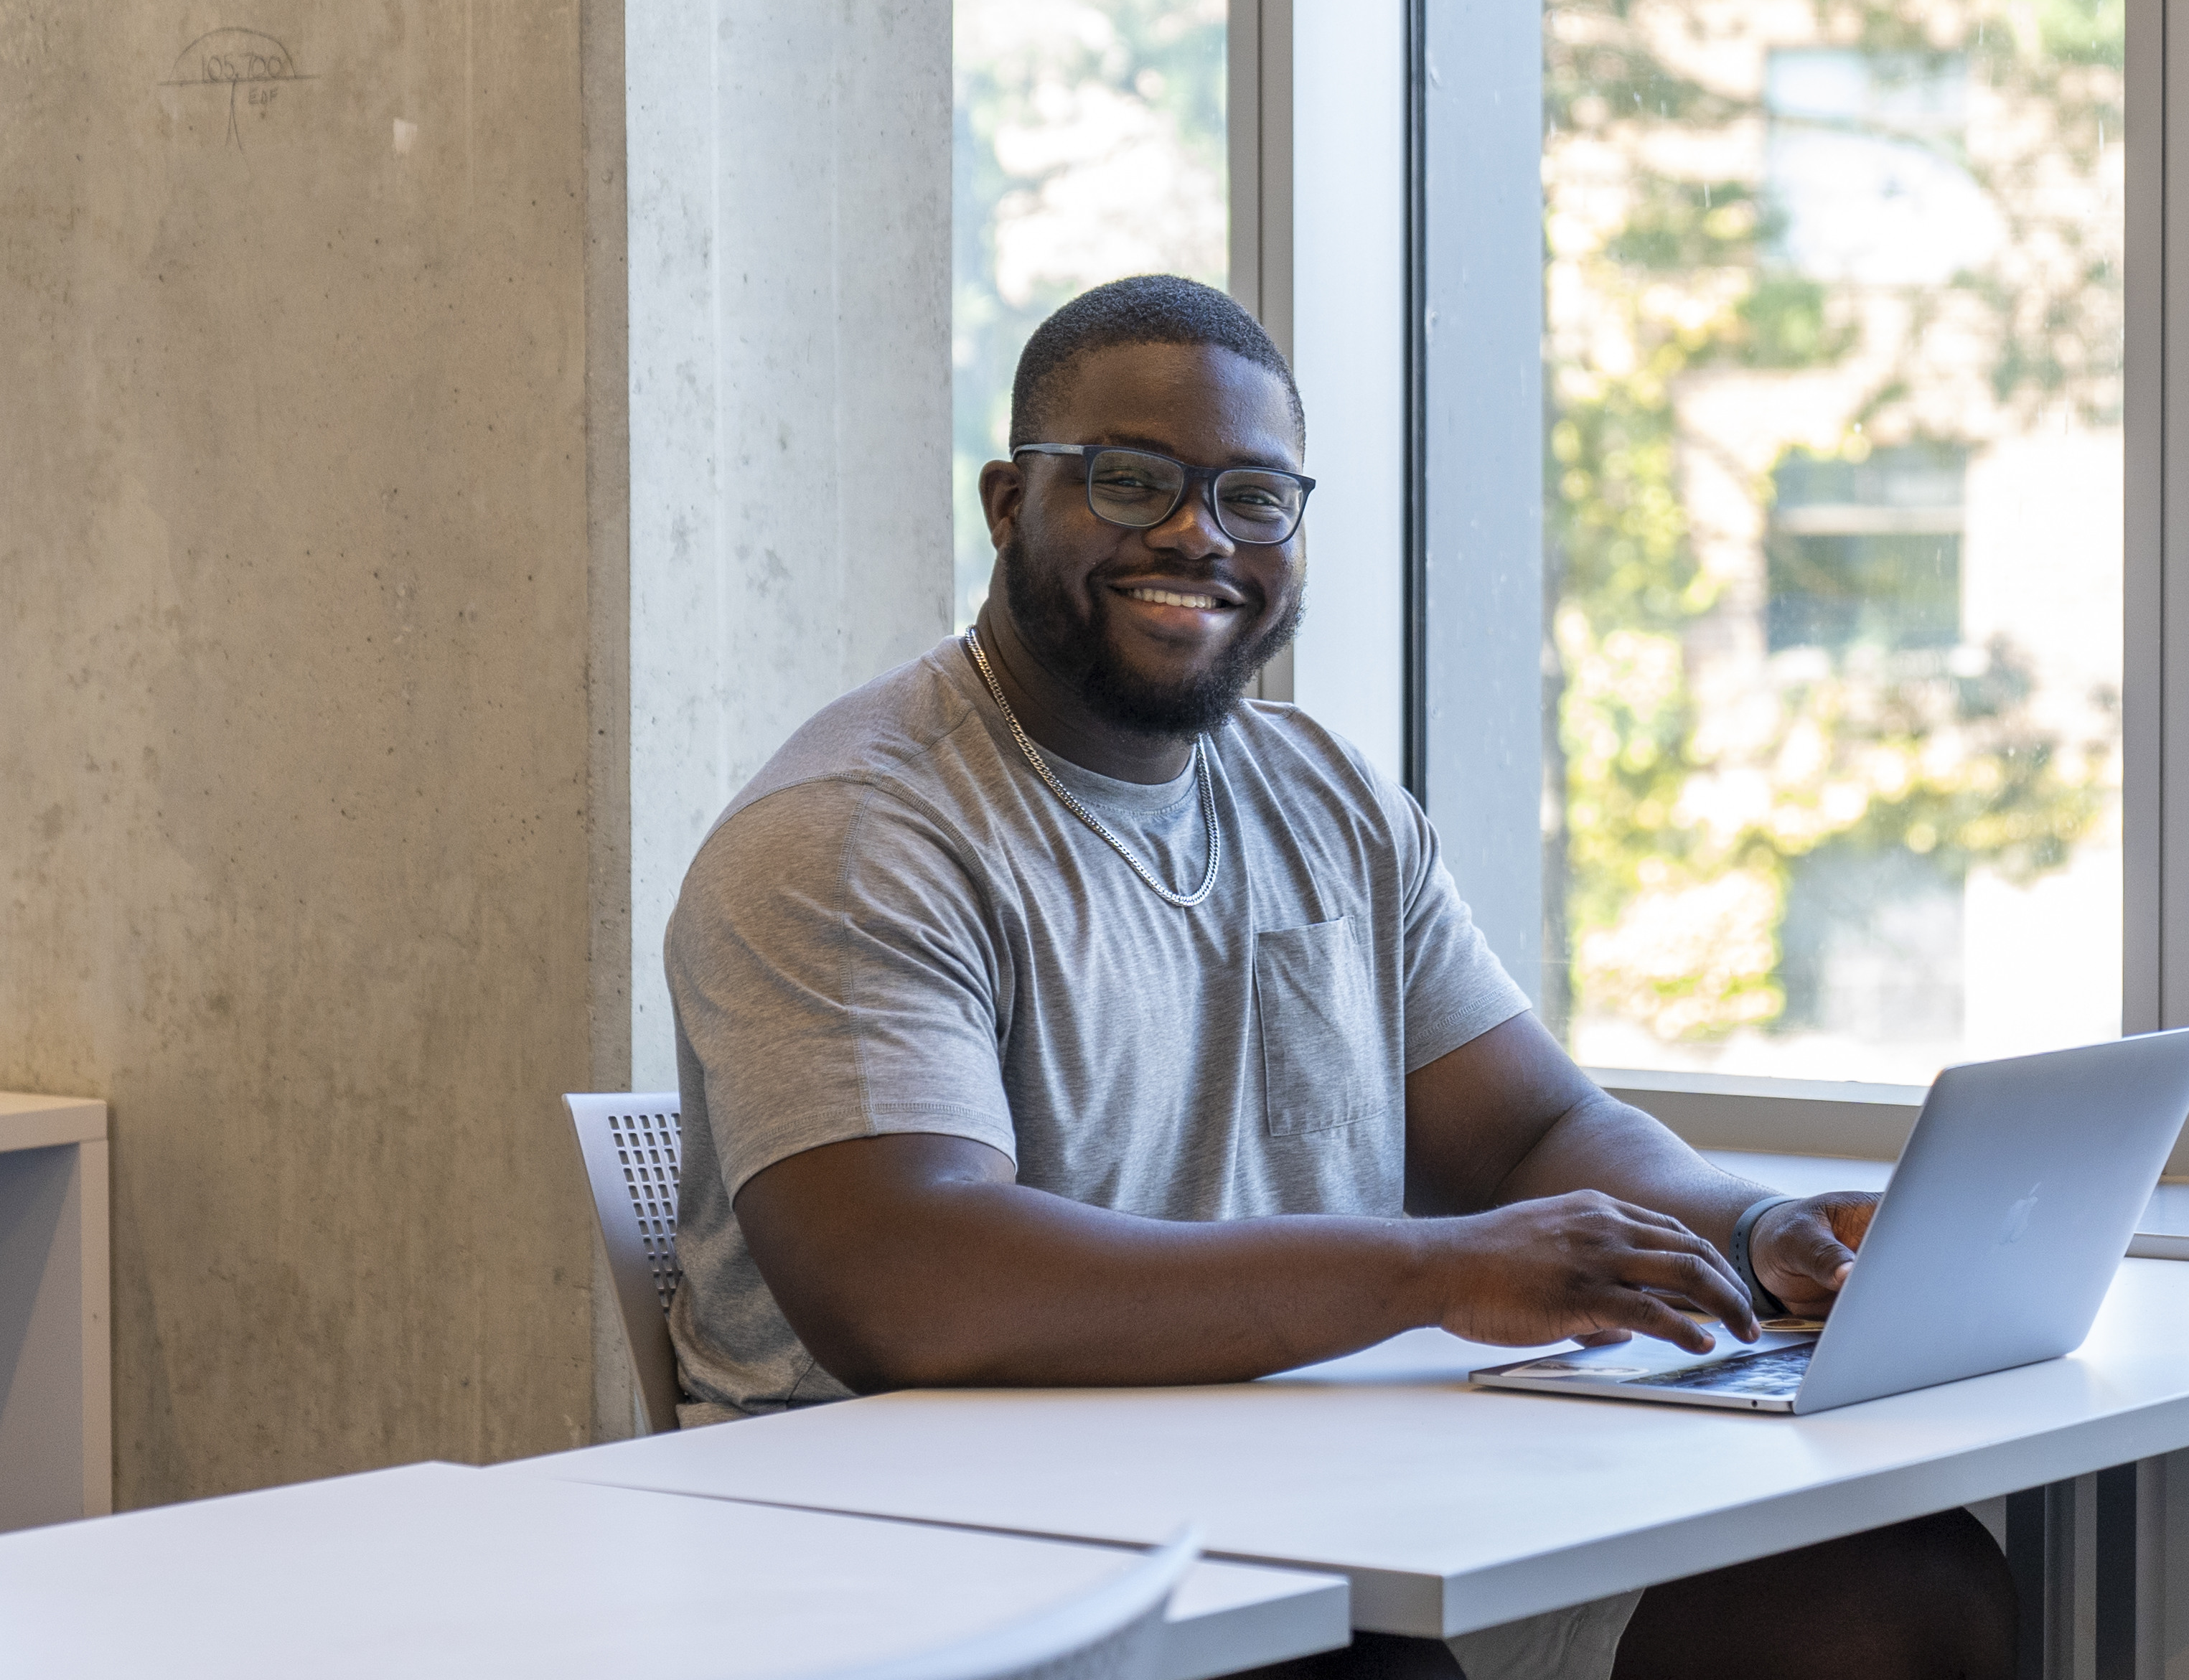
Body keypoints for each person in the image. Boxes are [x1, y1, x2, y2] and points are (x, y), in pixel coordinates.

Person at [665, 275, 2015, 1680]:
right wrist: (1435, 1270)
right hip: (943, 1564)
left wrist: (1759, 1228)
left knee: (1895, 1590)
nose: (1198, 533)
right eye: (1132, 484)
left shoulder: (1328, 797)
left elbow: (1531, 1131)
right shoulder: (852, 834)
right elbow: (918, 1290)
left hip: (1305, 1504)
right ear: (1010, 503)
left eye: (1255, 497)